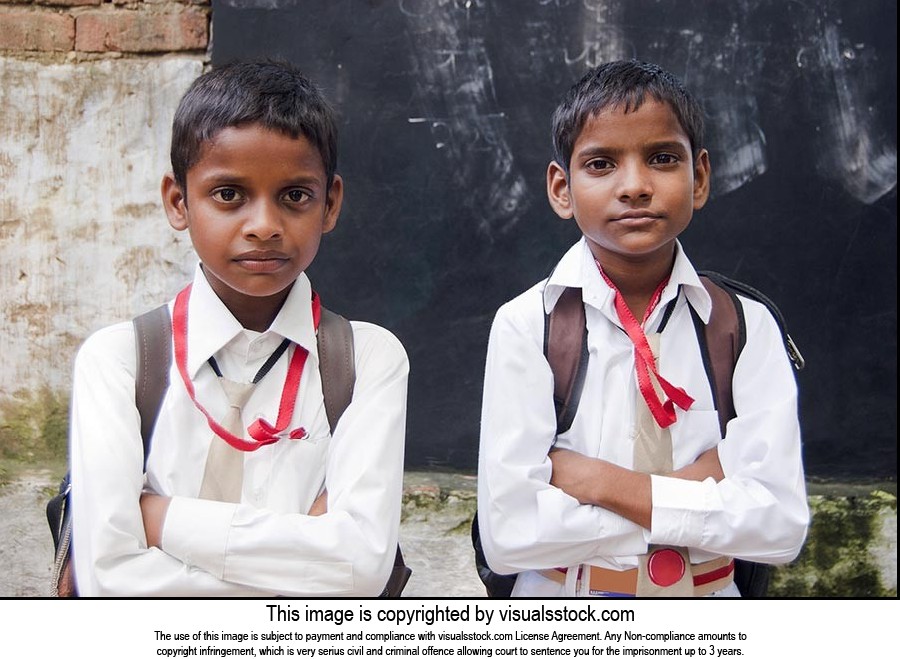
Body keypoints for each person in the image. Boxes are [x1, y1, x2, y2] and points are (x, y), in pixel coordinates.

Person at [69, 60, 408, 596]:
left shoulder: (366, 361)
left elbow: (363, 568)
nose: (264, 226)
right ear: (179, 202)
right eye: (228, 194)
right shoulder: (119, 361)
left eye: (295, 195)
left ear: (331, 203)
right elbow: (106, 578)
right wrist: (305, 557)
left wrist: (159, 520)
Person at [477, 60, 809, 597]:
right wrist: (698, 487)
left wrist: (599, 483)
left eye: (661, 158)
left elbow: (780, 526)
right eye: (602, 163)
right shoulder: (527, 325)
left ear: (698, 178)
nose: (634, 186)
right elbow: (511, 535)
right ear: (562, 189)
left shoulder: (744, 326)